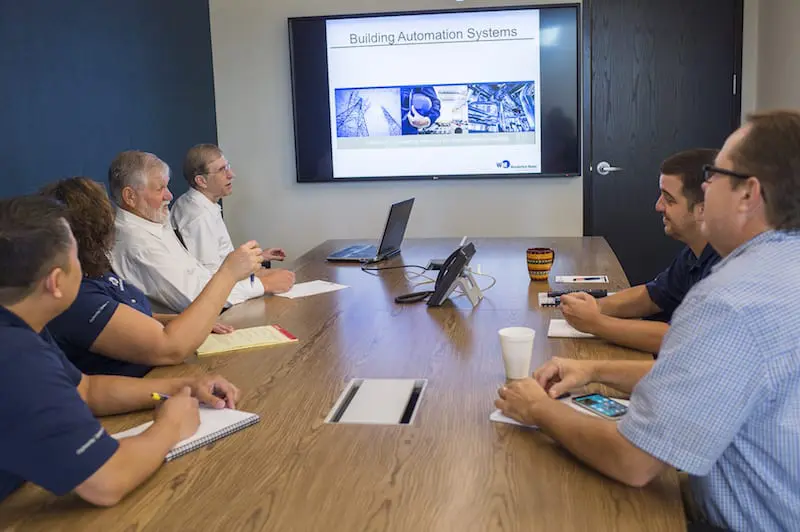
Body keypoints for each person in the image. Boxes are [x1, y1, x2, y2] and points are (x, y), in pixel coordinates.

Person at [495, 110, 800, 531]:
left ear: (748, 194)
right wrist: (592, 368)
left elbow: (633, 461)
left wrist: (537, 409)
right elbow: (706, 381)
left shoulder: (730, 300)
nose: (705, 187)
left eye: (713, 176)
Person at [0, 195, 242, 506]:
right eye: (75, 258)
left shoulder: (22, 324)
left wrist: (183, 386)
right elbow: (106, 481)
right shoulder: (16, 356)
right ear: (56, 282)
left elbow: (86, 389)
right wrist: (170, 426)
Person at [41, 177, 263, 377]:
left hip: (157, 378)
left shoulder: (94, 269)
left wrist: (179, 321)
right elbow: (172, 348)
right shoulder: (79, 295)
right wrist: (229, 273)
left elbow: (126, 314)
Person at [560, 149, 721, 354]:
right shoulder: (694, 254)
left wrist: (596, 323)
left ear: (702, 210)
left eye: (669, 200)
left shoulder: (724, 267)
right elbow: (653, 295)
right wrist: (597, 306)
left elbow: (681, 339)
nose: (658, 206)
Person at [108, 150, 294, 313]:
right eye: (160, 189)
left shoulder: (153, 221)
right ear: (130, 196)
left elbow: (200, 276)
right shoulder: (138, 242)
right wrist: (261, 284)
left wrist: (252, 272)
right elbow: (195, 297)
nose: (170, 196)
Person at [171, 144, 288, 272]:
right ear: (201, 181)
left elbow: (221, 259)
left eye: (228, 167)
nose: (231, 175)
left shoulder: (188, 201)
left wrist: (258, 257)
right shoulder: (199, 218)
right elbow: (211, 277)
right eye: (222, 170)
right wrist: (263, 280)